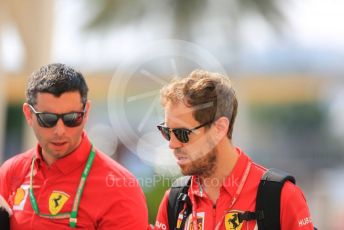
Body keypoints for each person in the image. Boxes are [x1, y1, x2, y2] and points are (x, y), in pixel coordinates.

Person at [154, 70, 314, 229]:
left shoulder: (280, 196)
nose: (172, 144)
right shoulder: (175, 201)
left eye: (183, 133)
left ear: (219, 128)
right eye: (167, 132)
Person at [0, 63, 148, 229]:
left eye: (71, 118)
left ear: (86, 113)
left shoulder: (120, 188)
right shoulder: (11, 171)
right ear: (28, 114)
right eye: (48, 119)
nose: (60, 131)